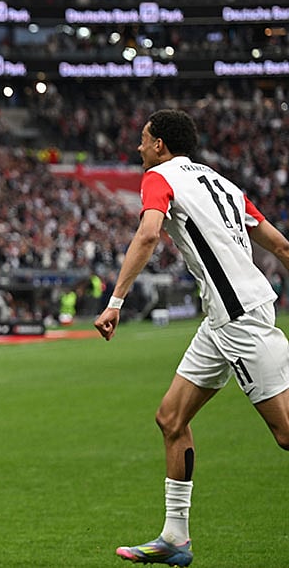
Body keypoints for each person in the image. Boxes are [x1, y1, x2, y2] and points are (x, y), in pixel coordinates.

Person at [93, 109, 289, 566]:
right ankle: (175, 538)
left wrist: (116, 301)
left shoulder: (158, 176)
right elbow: (278, 245)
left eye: (143, 140)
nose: (139, 148)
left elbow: (147, 236)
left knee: (284, 433)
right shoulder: (221, 182)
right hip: (221, 317)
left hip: (238, 316)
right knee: (170, 418)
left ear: (159, 144)